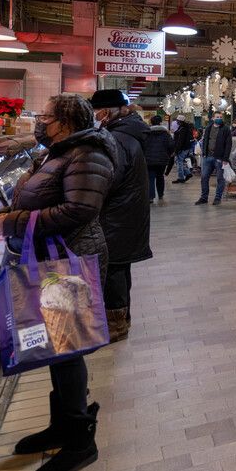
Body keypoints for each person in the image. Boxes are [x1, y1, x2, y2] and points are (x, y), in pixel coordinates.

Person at [0, 94, 113, 469]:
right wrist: (13, 212)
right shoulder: (62, 150)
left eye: (44, 116)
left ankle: (79, 442)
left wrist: (14, 222)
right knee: (59, 350)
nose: (39, 121)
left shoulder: (87, 153)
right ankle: (62, 425)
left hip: (70, 258)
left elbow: (80, 208)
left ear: (65, 122)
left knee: (68, 348)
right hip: (52, 256)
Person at [90, 90, 151, 343]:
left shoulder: (116, 139)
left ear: (105, 113)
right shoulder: (128, 134)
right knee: (118, 269)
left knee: (113, 269)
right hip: (126, 214)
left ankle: (115, 326)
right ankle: (120, 320)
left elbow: (109, 179)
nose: (93, 117)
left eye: (94, 112)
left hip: (116, 216)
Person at [196, 111, 232, 206]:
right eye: (217, 117)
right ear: (213, 118)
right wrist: (204, 153)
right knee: (204, 177)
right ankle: (204, 197)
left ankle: (217, 198)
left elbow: (228, 144)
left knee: (220, 179)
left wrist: (225, 158)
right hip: (207, 157)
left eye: (220, 117)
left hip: (219, 158)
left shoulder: (226, 129)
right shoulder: (208, 128)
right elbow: (205, 140)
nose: (219, 118)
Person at [143, 116, 173, 204]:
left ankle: (151, 197)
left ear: (151, 122)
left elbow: (142, 145)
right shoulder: (166, 134)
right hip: (162, 160)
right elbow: (171, 145)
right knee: (160, 177)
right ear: (160, 122)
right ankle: (160, 194)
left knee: (150, 177)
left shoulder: (147, 133)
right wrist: (167, 154)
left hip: (149, 160)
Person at [171, 115, 193, 183]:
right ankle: (188, 173)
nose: (176, 122)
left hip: (182, 148)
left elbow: (180, 141)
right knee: (179, 161)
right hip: (185, 148)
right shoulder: (184, 128)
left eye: (177, 121)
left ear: (180, 121)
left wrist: (176, 150)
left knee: (179, 162)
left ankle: (181, 178)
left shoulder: (183, 129)